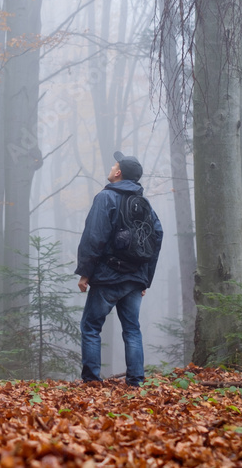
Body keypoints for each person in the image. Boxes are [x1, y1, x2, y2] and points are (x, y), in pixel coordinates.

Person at [74, 151, 163, 385]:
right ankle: (136, 382)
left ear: (118, 172)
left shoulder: (106, 198)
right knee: (132, 329)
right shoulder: (143, 203)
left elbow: (94, 237)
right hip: (135, 278)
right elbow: (157, 236)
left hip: (108, 277)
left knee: (91, 326)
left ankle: (92, 381)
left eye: (114, 164)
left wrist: (85, 272)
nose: (112, 167)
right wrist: (145, 279)